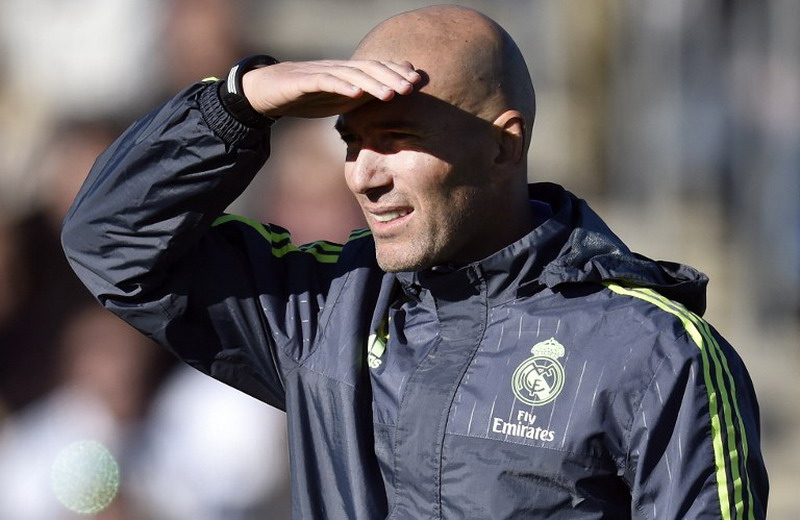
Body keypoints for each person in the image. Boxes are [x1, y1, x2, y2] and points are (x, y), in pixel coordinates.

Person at [62, 5, 768, 519]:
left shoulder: (652, 352)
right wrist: (238, 104)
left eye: (394, 138)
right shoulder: (326, 310)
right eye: (350, 141)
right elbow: (111, 242)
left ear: (503, 146)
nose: (363, 174)